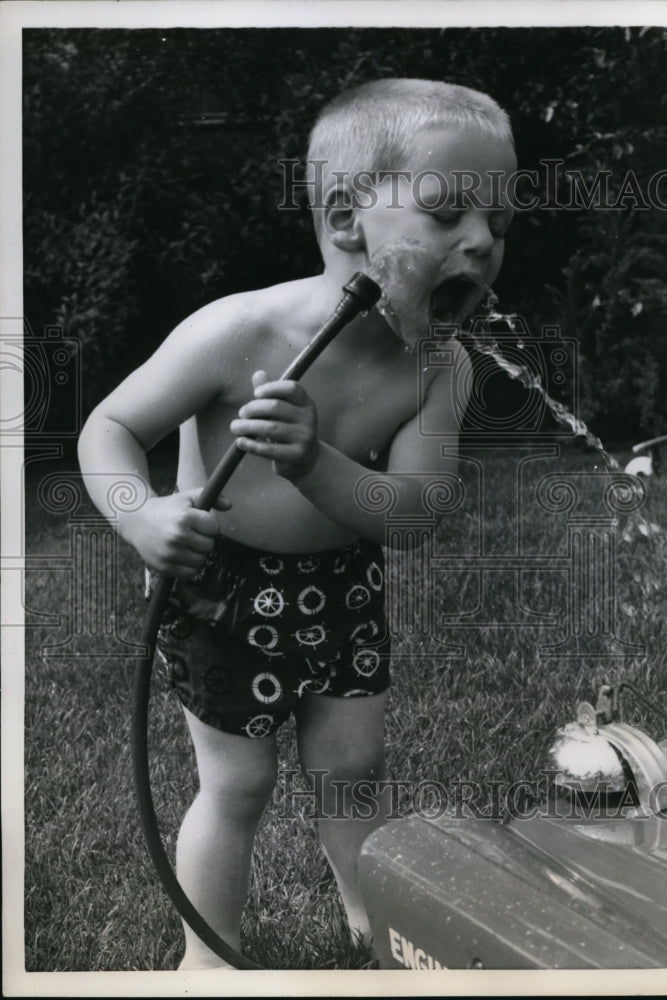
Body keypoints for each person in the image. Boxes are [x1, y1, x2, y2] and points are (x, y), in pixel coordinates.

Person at [78, 77, 517, 969]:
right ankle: (209, 960)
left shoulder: (439, 367)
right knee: (238, 784)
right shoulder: (237, 332)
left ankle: (375, 923)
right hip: (220, 587)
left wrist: (315, 461)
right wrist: (140, 517)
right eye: (448, 215)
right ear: (350, 217)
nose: (480, 240)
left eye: (499, 225)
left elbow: (416, 515)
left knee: (351, 777)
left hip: (341, 584)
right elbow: (111, 429)